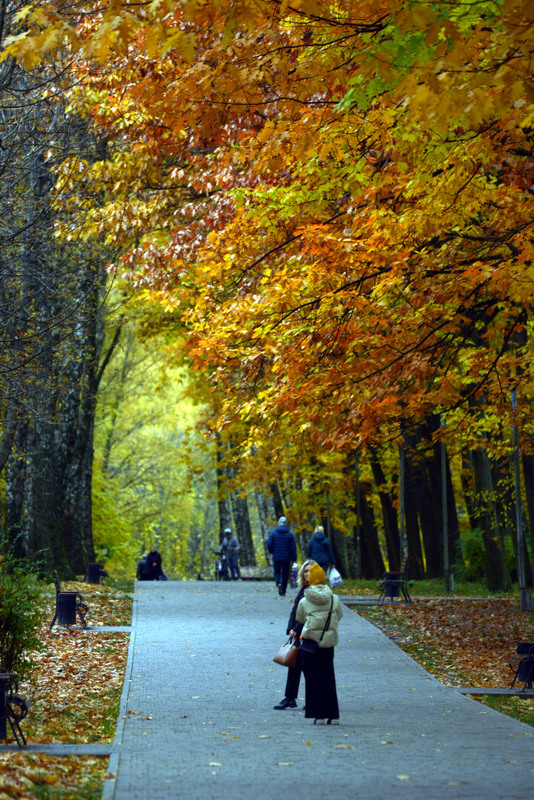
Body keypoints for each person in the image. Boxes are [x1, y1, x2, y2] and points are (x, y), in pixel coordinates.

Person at [296, 562, 343, 725]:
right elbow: (339, 615)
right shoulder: (334, 599)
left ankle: (318, 714)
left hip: (310, 644)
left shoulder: (304, 600)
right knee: (329, 677)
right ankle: (333, 715)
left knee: (313, 679)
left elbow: (300, 619)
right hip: (328, 643)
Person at [273, 559, 315, 710]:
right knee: (294, 665)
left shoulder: (315, 589)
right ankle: (290, 698)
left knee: (308, 667)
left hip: (309, 633)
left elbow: (308, 613)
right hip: (298, 633)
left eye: (310, 570)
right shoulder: (303, 588)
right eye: (305, 571)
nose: (307, 573)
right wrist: (290, 628)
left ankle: (312, 700)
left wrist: (296, 628)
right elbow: (295, 610)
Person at [267, 516, 297, 596]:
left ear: (278, 523)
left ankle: (278, 583)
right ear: (286, 524)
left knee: (277, 572)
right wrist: (294, 559)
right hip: (286, 558)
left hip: (276, 557)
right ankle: (283, 590)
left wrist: (272, 551)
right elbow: (293, 548)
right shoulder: (290, 535)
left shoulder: (273, 533)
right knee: (285, 573)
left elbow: (269, 544)